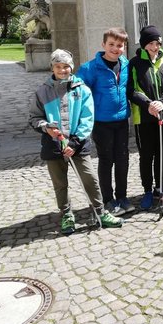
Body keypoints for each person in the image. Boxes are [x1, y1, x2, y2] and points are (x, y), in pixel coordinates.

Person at [29, 49, 124, 234]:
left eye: (66, 66)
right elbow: (34, 118)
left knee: (90, 179)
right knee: (60, 184)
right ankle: (66, 215)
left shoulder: (82, 90)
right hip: (53, 145)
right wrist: (46, 127)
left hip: (77, 144)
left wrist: (74, 143)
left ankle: (100, 212)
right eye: (58, 66)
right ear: (52, 67)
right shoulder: (42, 91)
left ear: (71, 68)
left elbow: (87, 118)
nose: (62, 70)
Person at [77, 27, 134, 216]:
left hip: (122, 120)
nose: (115, 49)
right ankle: (108, 200)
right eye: (111, 44)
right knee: (106, 160)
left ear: (124, 47)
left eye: (119, 45)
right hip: (101, 123)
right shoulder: (90, 68)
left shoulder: (126, 65)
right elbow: (77, 92)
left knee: (123, 159)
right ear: (103, 45)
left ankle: (123, 198)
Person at [127, 25, 163, 210]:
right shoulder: (135, 63)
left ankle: (161, 186)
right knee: (146, 155)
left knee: (162, 153)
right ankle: (147, 190)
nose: (154, 46)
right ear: (144, 45)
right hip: (144, 117)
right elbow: (132, 90)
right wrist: (148, 104)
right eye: (151, 43)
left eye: (157, 43)